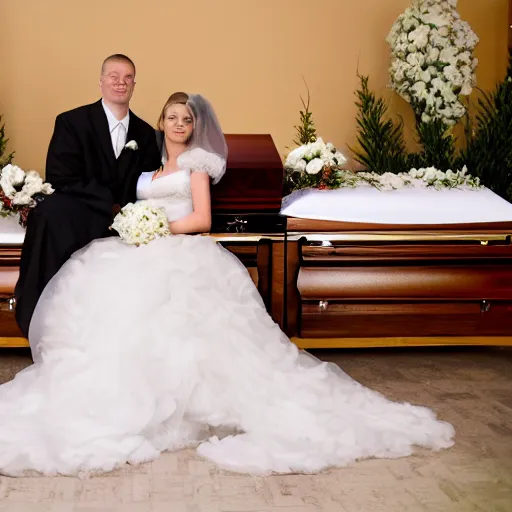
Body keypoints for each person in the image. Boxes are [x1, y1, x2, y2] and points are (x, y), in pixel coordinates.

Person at [0, 92, 455, 477]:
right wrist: (135, 225)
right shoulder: (146, 164)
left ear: (194, 126)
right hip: (136, 248)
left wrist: (154, 227)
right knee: (115, 313)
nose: (178, 125)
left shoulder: (197, 165)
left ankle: (190, 404)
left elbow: (202, 218)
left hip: (178, 251)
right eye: (172, 118)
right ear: (160, 122)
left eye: (186, 119)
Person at [14, 54, 162, 337]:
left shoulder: (146, 135)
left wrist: (130, 215)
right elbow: (60, 176)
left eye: (128, 77)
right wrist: (109, 206)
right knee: (51, 213)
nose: (121, 82)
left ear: (134, 85)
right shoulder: (71, 122)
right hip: (80, 215)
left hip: (126, 222)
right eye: (113, 76)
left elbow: (148, 182)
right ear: (101, 81)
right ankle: (46, 323)